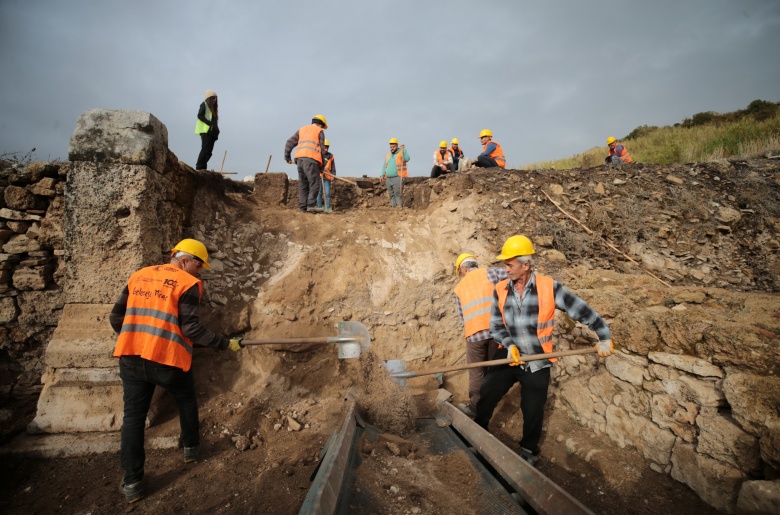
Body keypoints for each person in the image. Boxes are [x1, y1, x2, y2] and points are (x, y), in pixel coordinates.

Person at [110, 238, 244, 503]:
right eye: (198, 264)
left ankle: (132, 482)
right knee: (185, 398)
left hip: (131, 357)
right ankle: (191, 449)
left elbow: (116, 318)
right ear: (184, 260)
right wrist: (224, 344)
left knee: (133, 418)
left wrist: (134, 337)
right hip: (166, 359)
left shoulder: (139, 276)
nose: (200, 271)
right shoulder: (188, 283)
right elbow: (191, 329)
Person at [474, 235, 614, 466]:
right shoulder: (500, 290)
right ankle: (477, 428)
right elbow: (496, 327)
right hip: (510, 354)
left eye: (509, 264)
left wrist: (604, 335)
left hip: (538, 359)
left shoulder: (549, 287)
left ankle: (529, 449)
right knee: (487, 391)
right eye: (505, 264)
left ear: (526, 265)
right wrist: (509, 345)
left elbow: (580, 309)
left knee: (532, 409)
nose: (505, 269)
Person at [453, 253, 508, 418]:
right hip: (496, 331)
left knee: (476, 372)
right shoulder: (491, 273)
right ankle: (490, 402)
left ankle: (474, 407)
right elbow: (515, 275)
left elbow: (463, 316)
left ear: (463, 268)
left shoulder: (459, 288)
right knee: (492, 369)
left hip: (474, 335)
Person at [285, 114, 328, 212]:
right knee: (314, 184)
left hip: (300, 160)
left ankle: (303, 207)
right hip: (312, 161)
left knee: (303, 185)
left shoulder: (302, 129)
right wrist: (322, 167)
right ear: (321, 124)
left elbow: (289, 142)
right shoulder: (319, 131)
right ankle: (310, 206)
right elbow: (322, 149)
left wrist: (287, 157)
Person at [380, 138, 410, 208]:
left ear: (397, 146)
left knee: (398, 193)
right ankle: (394, 208)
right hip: (388, 178)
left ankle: (399, 207)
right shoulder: (388, 155)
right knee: (391, 194)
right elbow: (384, 165)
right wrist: (382, 175)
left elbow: (407, 159)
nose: (392, 148)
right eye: (391, 147)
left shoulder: (401, 152)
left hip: (398, 177)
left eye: (393, 147)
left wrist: (404, 150)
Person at [194, 90, 220, 170]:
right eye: (213, 98)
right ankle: (199, 167)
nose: (215, 100)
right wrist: (209, 123)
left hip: (211, 132)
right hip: (205, 130)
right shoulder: (204, 104)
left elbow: (214, 121)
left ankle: (203, 168)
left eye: (215, 98)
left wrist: (216, 130)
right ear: (209, 98)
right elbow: (200, 115)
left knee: (209, 152)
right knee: (205, 149)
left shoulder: (213, 109)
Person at [317, 139, 336, 212]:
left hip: (327, 177)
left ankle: (327, 207)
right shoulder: (318, 155)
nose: (325, 148)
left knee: (327, 193)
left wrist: (333, 175)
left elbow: (333, 167)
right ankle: (319, 207)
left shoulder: (330, 156)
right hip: (319, 177)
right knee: (319, 193)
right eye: (324, 147)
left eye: (326, 147)